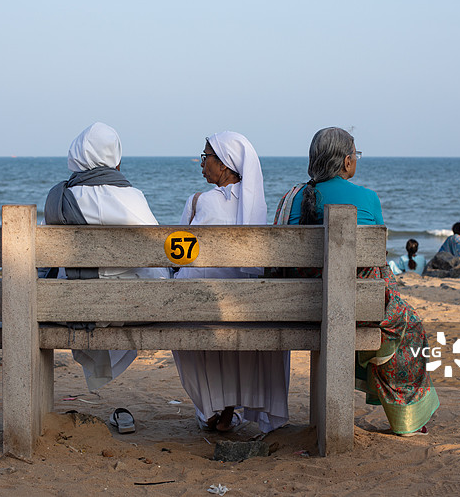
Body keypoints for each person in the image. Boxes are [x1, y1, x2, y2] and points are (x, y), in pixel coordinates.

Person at [274, 127, 438, 436]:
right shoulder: (367, 198)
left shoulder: (292, 199)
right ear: (347, 161)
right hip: (358, 310)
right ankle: (407, 419)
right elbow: (378, 259)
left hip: (298, 309)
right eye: (356, 155)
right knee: (409, 324)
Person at [172, 131, 290, 434]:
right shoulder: (255, 209)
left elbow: (176, 256)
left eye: (206, 156)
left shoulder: (199, 202)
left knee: (187, 315)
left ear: (224, 163)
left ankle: (211, 408)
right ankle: (225, 410)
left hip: (197, 309)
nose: (202, 163)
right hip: (245, 310)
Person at [42, 122, 169, 393]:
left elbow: (44, 261)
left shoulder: (59, 197)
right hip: (123, 308)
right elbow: (157, 255)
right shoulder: (130, 198)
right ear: (115, 156)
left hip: (67, 307)